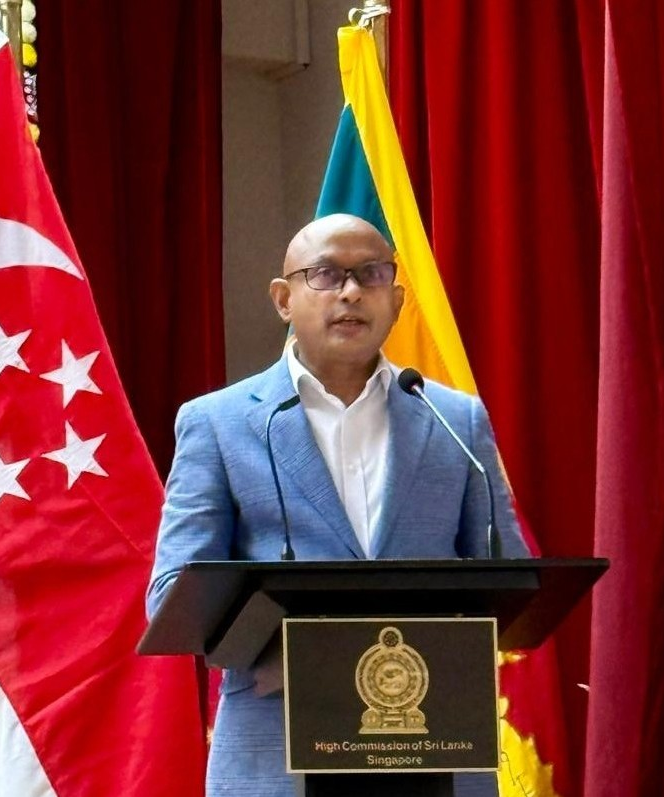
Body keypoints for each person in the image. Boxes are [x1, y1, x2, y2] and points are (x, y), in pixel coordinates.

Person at [147, 214, 529, 797]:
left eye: (370, 274)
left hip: (433, 750)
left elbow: (512, 581)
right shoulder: (219, 424)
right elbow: (173, 594)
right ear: (284, 299)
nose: (351, 292)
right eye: (325, 274)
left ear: (396, 300)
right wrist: (312, 655)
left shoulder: (454, 420)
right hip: (278, 755)